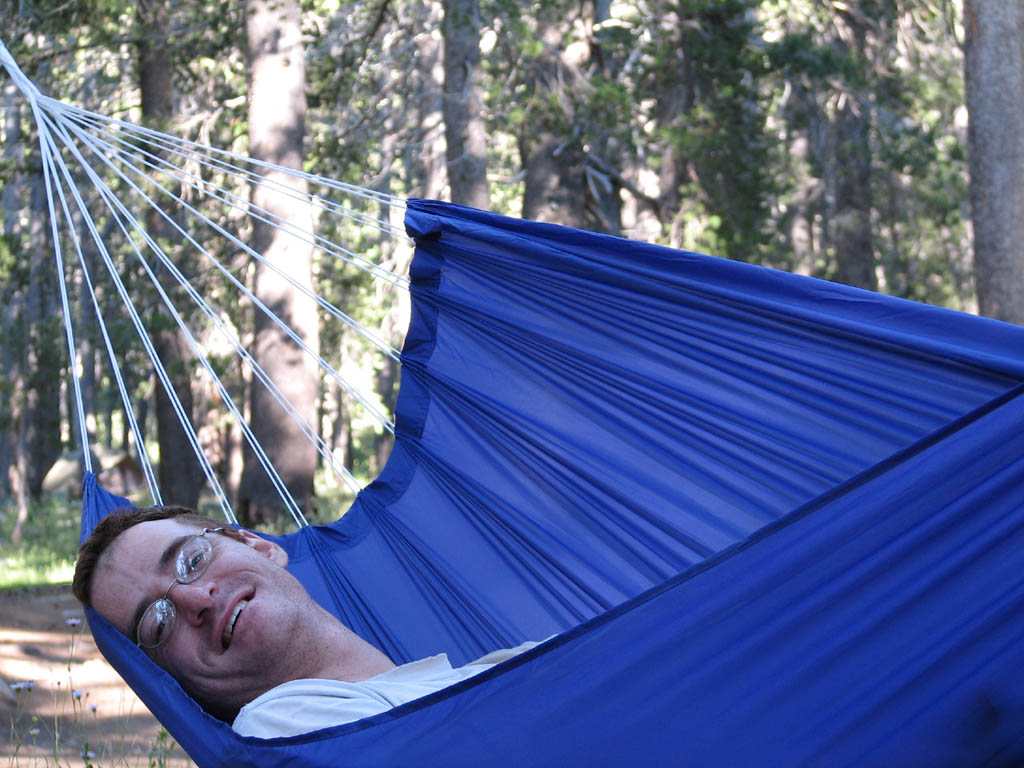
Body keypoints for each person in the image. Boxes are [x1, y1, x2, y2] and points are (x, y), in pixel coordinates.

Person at [72, 506, 539, 738]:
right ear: (169, 683)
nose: (196, 599)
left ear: (259, 546)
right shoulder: (275, 731)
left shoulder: (511, 673)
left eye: (191, 559)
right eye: (158, 623)